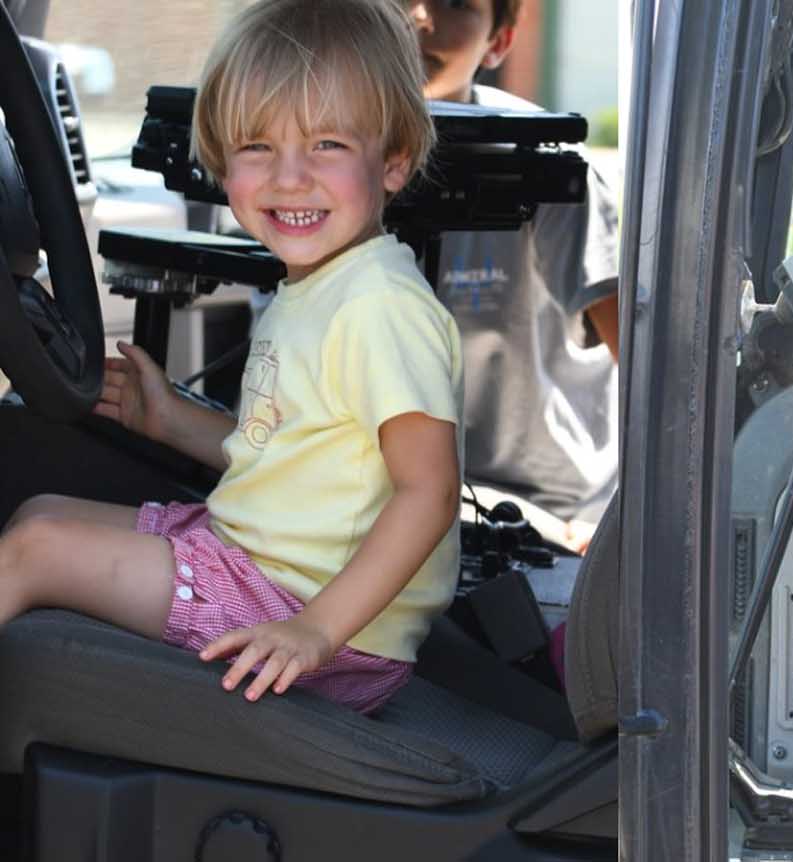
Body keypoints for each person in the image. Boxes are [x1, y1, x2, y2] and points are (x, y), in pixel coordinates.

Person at [0, 0, 464, 716]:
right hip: (264, 566)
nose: (289, 178)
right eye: (257, 147)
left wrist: (316, 629)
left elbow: (427, 492)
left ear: (394, 162)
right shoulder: (321, 285)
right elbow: (294, 463)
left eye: (328, 146)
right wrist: (169, 419)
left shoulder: (378, 305)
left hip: (316, 614)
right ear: (221, 160)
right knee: (38, 511)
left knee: (35, 551)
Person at [408, 0, 622, 549]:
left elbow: (648, 367)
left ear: (499, 41)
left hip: (549, 517)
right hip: (391, 499)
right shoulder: (310, 166)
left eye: (456, 3)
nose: (418, 16)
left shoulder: (545, 167)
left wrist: (616, 528)